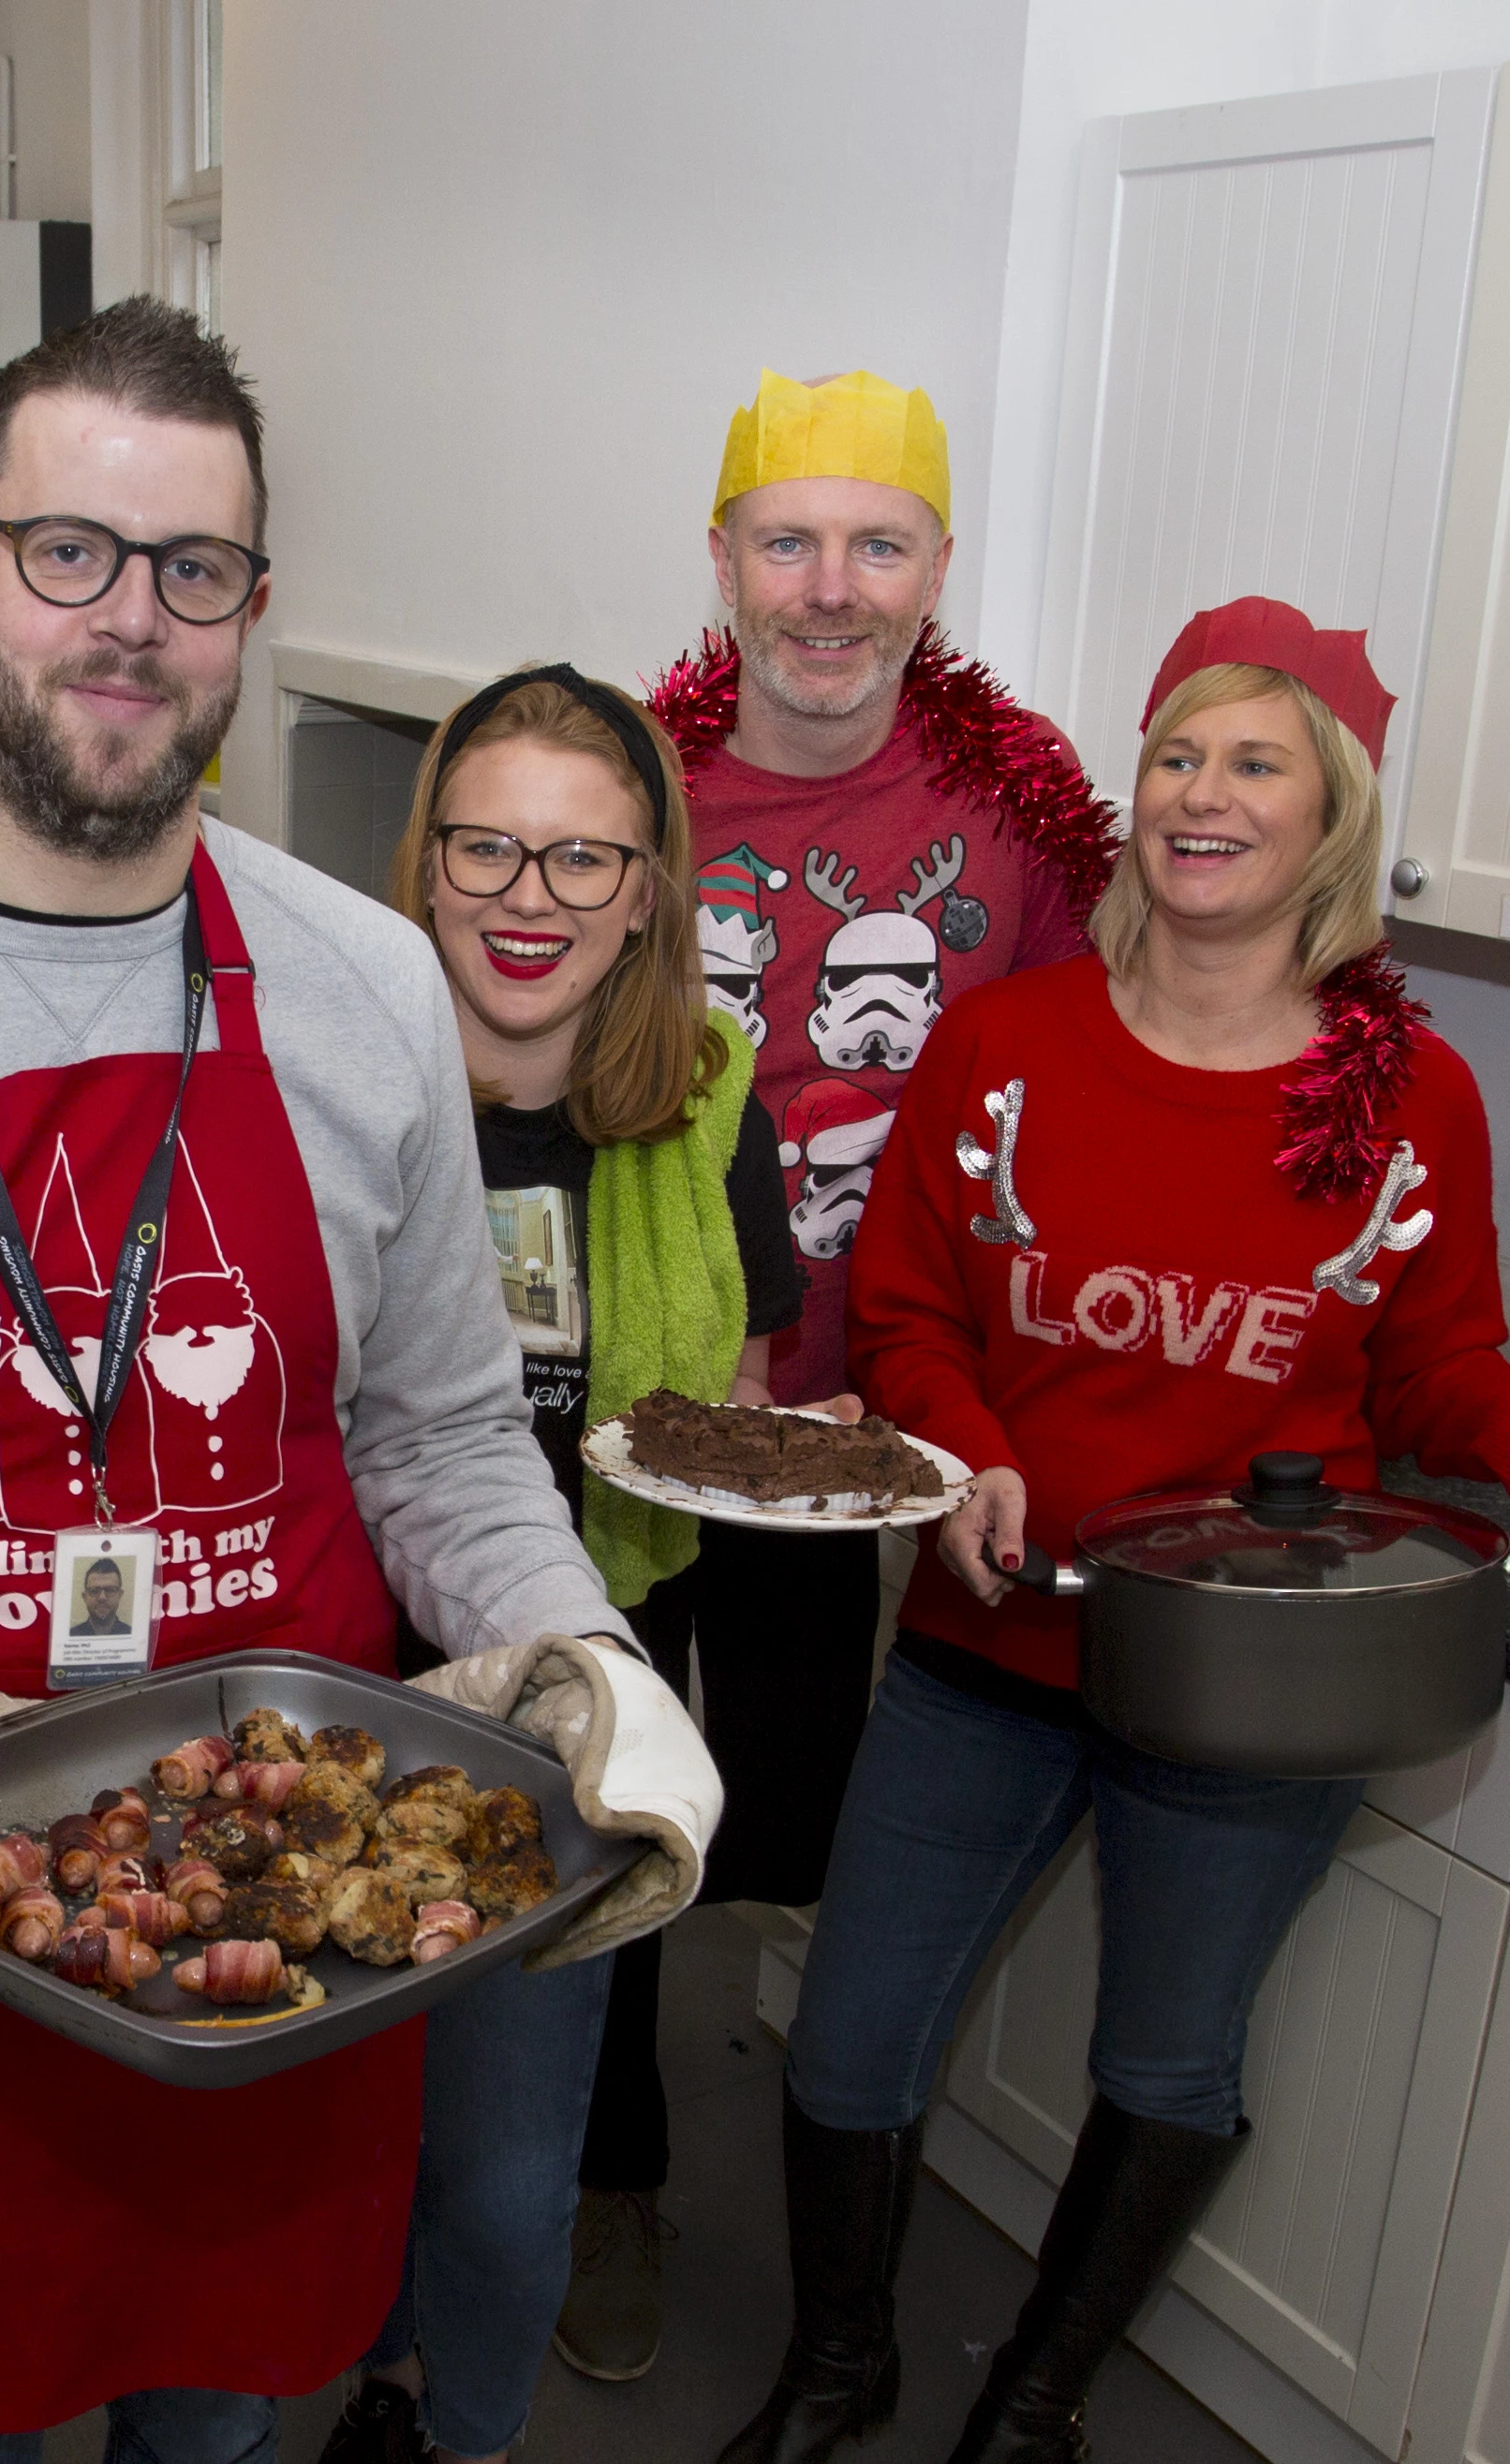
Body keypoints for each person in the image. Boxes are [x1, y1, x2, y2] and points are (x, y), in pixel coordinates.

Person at [0, 298, 719, 2458]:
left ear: (250, 614)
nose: (130, 622)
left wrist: (572, 1640)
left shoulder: (368, 984)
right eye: (70, 550)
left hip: (285, 1931)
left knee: (214, 2423)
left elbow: (435, 1425)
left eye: (194, 570)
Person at [718, 599, 1510, 2463]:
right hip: (990, 1639)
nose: (1195, 793)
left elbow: (1435, 1360)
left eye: (1248, 763)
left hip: (1242, 1681)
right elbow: (905, 1316)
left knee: (1162, 2057)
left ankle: (1031, 2399)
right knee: (845, 2035)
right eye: (1172, 755)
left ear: (1326, 821)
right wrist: (963, 1445)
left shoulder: (1401, 1096)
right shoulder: (999, 1048)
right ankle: (837, 2362)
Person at [554, 371, 1118, 2368]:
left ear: (931, 571)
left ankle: (807, 2172)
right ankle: (607, 2178)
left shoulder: (1011, 800)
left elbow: (1073, 1086)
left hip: (854, 1423)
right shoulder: (626, 775)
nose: (825, 587)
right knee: (607, 1802)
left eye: (872, 543)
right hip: (635, 1393)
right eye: (782, 540)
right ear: (718, 562)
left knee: (793, 1817)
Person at [316, 665, 807, 2464]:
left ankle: (455, 2424)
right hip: (332, 1683)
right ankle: (371, 2368)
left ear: (649, 886)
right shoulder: (318, 1082)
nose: (530, 900)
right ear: (425, 857)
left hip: (563, 1711)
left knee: (510, 2172)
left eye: (583, 861)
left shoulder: (702, 1106)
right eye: (489, 848)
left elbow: (740, 1389)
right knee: (331, 2118)